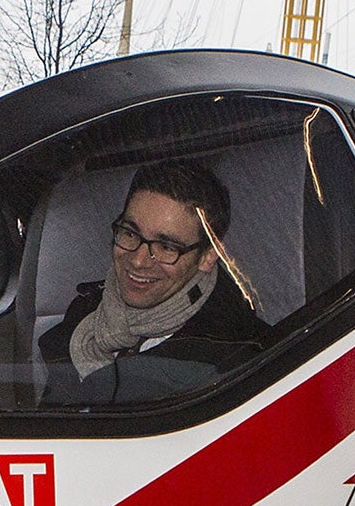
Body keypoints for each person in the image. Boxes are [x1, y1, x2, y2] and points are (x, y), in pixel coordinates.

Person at [39, 159, 267, 405]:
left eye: (167, 247)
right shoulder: (85, 311)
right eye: (130, 233)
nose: (138, 260)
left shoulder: (241, 361)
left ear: (207, 256)